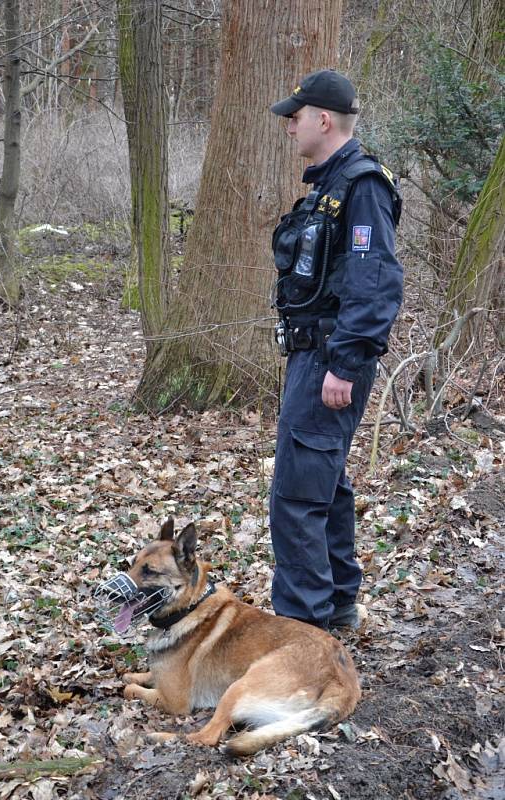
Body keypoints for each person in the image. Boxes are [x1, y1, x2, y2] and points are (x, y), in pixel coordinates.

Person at [269, 69, 403, 631]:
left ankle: (303, 630)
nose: (289, 127)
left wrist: (346, 362)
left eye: (295, 117)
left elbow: (375, 282)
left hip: (330, 358)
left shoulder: (362, 185)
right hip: (314, 353)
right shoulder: (329, 185)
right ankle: (340, 604)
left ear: (324, 120)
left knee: (297, 495)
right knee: (326, 482)